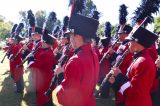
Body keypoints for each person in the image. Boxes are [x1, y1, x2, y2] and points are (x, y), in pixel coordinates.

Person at [55, 13, 99, 106]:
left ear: (78, 37)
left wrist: (60, 75)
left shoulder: (75, 61)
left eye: (71, 36)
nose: (70, 39)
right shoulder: (93, 54)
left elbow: (65, 98)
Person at [109, 26, 158, 106]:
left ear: (137, 42)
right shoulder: (140, 59)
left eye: (130, 40)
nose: (128, 43)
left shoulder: (143, 61)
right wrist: (115, 83)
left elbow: (135, 92)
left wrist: (119, 76)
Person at [28, 29, 56, 106]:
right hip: (45, 76)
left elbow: (37, 64)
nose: (42, 42)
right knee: (46, 96)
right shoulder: (47, 50)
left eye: (44, 42)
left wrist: (31, 60)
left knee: (42, 96)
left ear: (49, 44)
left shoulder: (46, 54)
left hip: (44, 78)